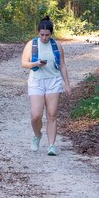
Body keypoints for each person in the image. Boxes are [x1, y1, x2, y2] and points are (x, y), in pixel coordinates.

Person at [21, 16, 71, 156]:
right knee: (36, 115)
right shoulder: (31, 44)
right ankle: (37, 135)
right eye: (41, 35)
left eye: (47, 35)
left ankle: (51, 145)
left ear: (51, 34)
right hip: (36, 81)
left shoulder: (57, 46)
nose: (44, 37)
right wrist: (35, 64)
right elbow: (24, 63)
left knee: (52, 114)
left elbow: (62, 65)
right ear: (38, 33)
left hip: (53, 81)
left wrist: (67, 84)